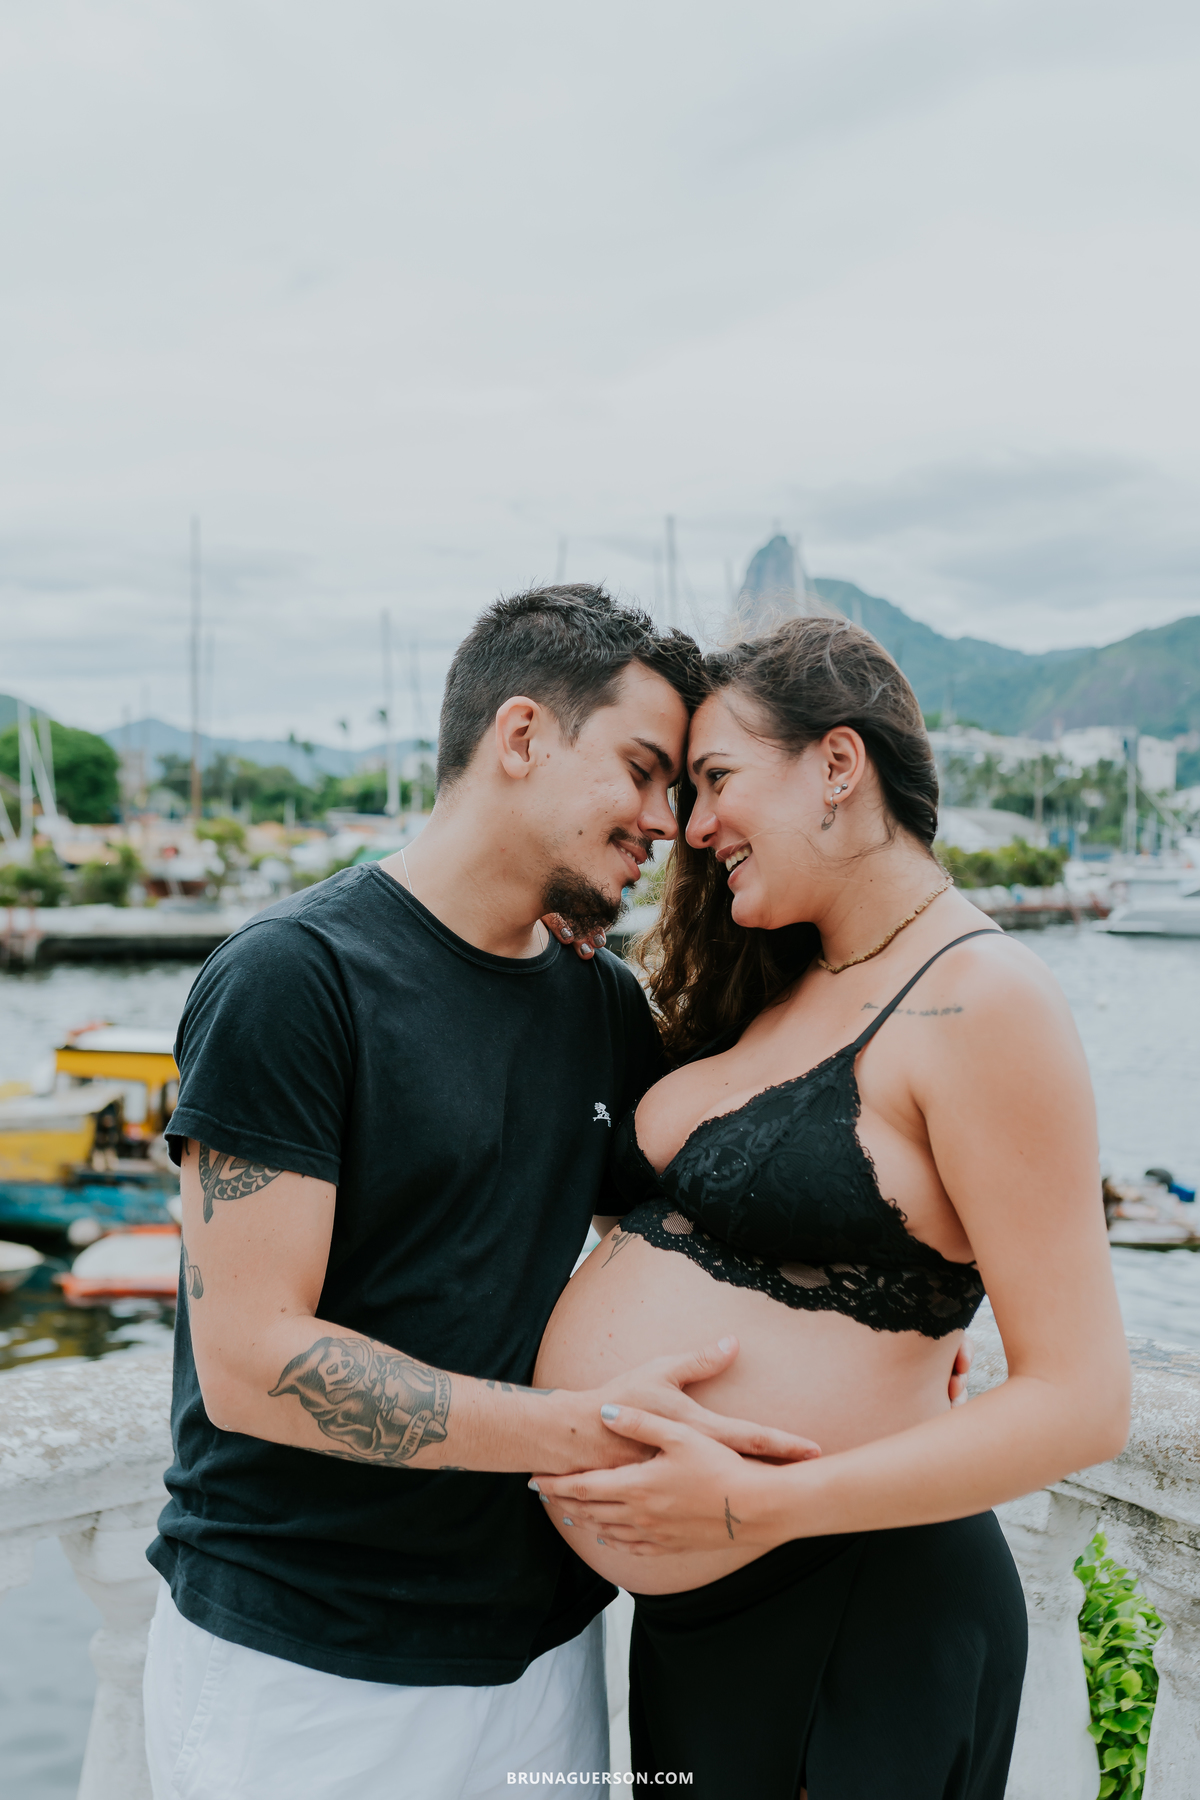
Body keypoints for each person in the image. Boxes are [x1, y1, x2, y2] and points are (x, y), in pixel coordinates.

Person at [141, 586, 821, 1800]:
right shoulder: (293, 982)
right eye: (643, 770)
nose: (669, 820)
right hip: (310, 1675)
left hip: (545, 1659)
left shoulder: (599, 1002)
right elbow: (251, 1363)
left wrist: (901, 1312)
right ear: (520, 738)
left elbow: (701, 1228)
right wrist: (580, 1431)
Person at [533, 615, 1131, 1800]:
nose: (693, 828)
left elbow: (1084, 1401)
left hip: (861, 1612)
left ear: (838, 767)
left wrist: (757, 1499)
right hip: (705, 1624)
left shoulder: (982, 999)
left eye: (715, 781)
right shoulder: (793, 981)